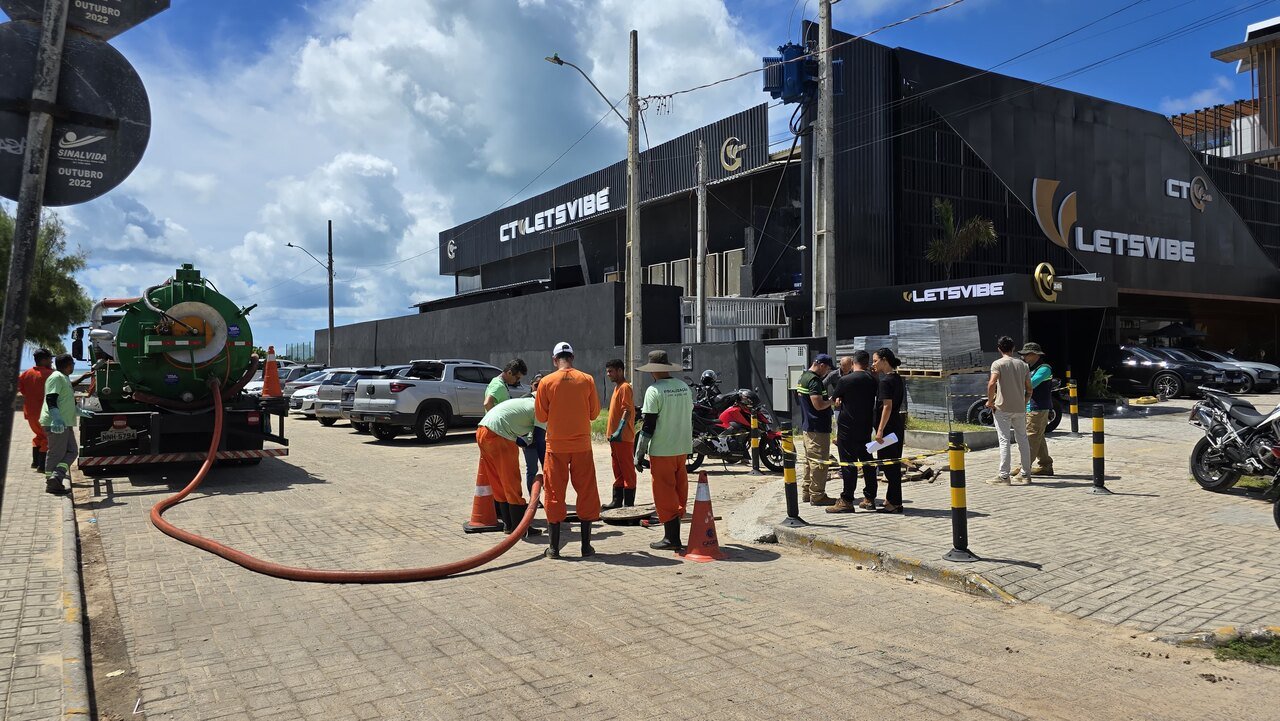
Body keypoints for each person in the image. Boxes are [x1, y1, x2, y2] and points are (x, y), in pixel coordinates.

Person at [534, 342, 601, 559]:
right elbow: (594, 414)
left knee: (554, 493)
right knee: (587, 492)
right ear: (572, 357)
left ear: (555, 360)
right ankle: (586, 547)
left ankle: (554, 549)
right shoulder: (587, 379)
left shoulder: (546, 382)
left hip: (556, 447)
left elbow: (541, 417)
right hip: (582, 446)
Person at [633, 350, 693, 551]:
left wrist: (639, 453)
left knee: (664, 493)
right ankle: (673, 535)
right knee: (679, 489)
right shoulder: (684, 387)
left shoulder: (654, 391)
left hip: (662, 449)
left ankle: (671, 539)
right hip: (681, 447)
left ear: (652, 371)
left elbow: (648, 425)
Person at [476, 396, 541, 538]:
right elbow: (540, 439)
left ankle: (508, 525)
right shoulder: (540, 408)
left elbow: (522, 433)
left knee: (498, 481)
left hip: (482, 431)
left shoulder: (523, 402)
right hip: (499, 436)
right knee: (511, 481)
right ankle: (519, 528)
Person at [827, 350, 879, 513]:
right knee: (867, 461)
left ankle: (847, 500)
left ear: (853, 363)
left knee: (848, 463)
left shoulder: (845, 380)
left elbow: (836, 399)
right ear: (867, 362)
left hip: (847, 428)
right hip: (865, 427)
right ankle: (870, 498)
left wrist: (840, 399)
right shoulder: (873, 380)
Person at [41, 354, 92, 495]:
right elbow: (51, 399)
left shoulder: (64, 378)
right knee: (56, 453)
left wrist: (80, 411)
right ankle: (52, 483)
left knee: (72, 451)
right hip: (57, 423)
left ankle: (56, 477)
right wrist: (56, 418)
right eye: (72, 364)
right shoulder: (56, 377)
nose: (73, 366)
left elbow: (66, 401)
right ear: (68, 365)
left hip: (65, 423)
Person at [986, 335, 1033, 485]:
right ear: (1013, 348)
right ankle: (1026, 475)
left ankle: (1004, 476)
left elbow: (992, 383)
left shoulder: (997, 364)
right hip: (1019, 408)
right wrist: (1024, 401)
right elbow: (1029, 389)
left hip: (1002, 408)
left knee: (1004, 440)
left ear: (999, 349)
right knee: (1023, 440)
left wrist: (990, 401)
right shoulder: (1023, 365)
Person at [796, 353, 836, 506]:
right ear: (821, 365)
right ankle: (818, 495)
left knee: (809, 462)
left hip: (808, 426)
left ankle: (807, 492)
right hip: (817, 428)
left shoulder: (803, 377)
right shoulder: (814, 381)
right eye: (827, 369)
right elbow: (818, 405)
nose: (827, 373)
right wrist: (831, 401)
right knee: (819, 463)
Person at [871, 348, 907, 513]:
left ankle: (894, 503)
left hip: (888, 428)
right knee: (891, 463)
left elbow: (887, 406)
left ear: (884, 360)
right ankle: (890, 499)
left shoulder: (886, 381)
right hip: (896, 426)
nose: (873, 364)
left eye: (875, 360)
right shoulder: (897, 378)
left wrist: (880, 430)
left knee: (889, 465)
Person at [602, 359, 636, 510]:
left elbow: (627, 410)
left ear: (620, 371)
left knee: (627, 470)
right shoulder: (617, 388)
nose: (608, 374)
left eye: (611, 371)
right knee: (617, 469)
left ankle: (628, 505)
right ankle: (617, 501)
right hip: (614, 438)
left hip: (623, 437)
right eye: (608, 371)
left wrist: (619, 430)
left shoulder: (625, 387)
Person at [1018, 342, 1055, 477]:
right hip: (1032, 407)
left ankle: (1024, 467)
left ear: (1034, 355)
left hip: (1038, 408)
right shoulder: (1031, 368)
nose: (1023, 357)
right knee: (1038, 437)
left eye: (1025, 354)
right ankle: (1046, 466)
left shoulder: (1044, 369)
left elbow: (1031, 384)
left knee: (1031, 438)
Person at [18, 348, 54, 472]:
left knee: (38, 435)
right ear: (44, 360)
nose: (52, 361)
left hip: (30, 412)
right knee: (47, 437)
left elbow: (22, 390)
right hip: (45, 413)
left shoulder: (26, 373)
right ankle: (42, 466)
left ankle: (35, 462)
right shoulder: (51, 374)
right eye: (50, 359)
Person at [519, 373, 547, 494]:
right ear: (531, 385)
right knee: (532, 469)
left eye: (542, 385)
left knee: (547, 469)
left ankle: (549, 496)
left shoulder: (547, 400)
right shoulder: (525, 399)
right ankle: (533, 497)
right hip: (530, 441)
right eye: (536, 385)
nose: (539, 387)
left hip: (545, 440)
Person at [716, 389, 759, 455]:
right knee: (736, 426)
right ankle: (723, 439)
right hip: (720, 423)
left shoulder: (737, 408)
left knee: (738, 428)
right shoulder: (734, 409)